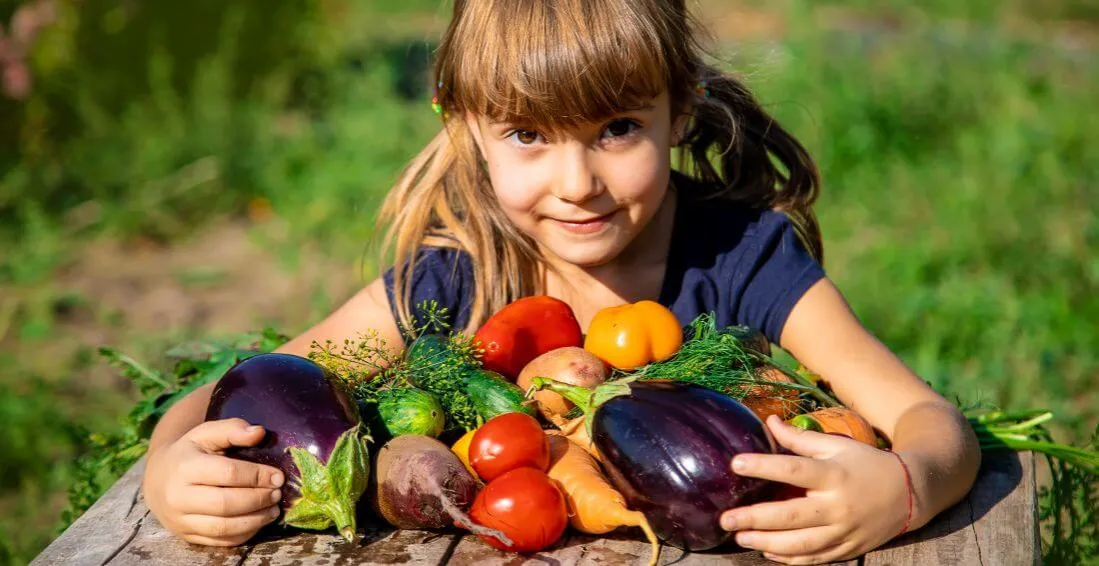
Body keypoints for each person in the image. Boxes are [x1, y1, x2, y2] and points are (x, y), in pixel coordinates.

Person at [141, 0, 981, 562]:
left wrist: (905, 490)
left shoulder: (740, 256)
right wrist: (166, 467)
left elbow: (929, 420)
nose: (576, 182)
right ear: (467, 126)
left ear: (678, 110)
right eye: (527, 135)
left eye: (617, 128)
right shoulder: (451, 282)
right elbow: (239, 385)